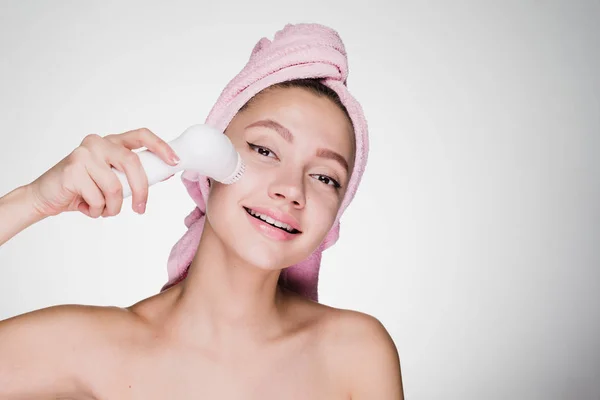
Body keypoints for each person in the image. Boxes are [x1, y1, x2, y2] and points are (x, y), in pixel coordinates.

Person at [0, 23, 404, 399]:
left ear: (335, 217)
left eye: (325, 178)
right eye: (265, 150)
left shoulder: (357, 353)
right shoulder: (83, 348)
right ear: (207, 166)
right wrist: (32, 201)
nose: (290, 190)